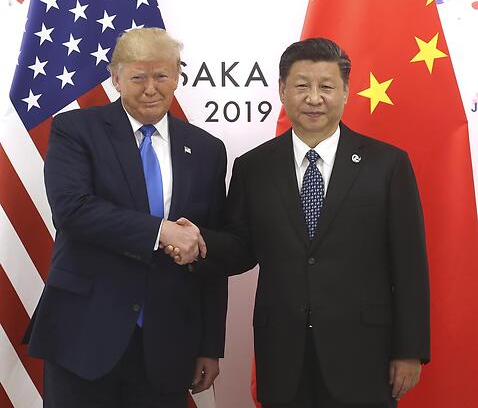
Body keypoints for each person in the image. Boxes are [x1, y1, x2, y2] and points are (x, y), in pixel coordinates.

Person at [169, 38, 430, 408]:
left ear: (345, 92)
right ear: (282, 89)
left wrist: (410, 350)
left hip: (364, 354)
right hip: (283, 353)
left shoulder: (386, 165)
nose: (314, 98)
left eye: (326, 87)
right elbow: (242, 248)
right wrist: (201, 242)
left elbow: (409, 265)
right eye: (302, 86)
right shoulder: (253, 167)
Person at [23, 28, 228, 408]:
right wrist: (160, 231)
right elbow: (72, 210)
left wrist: (209, 345)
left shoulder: (207, 150)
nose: (151, 88)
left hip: (167, 345)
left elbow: (207, 252)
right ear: (116, 79)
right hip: (84, 336)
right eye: (138, 77)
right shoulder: (75, 130)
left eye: (162, 75)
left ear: (177, 76)